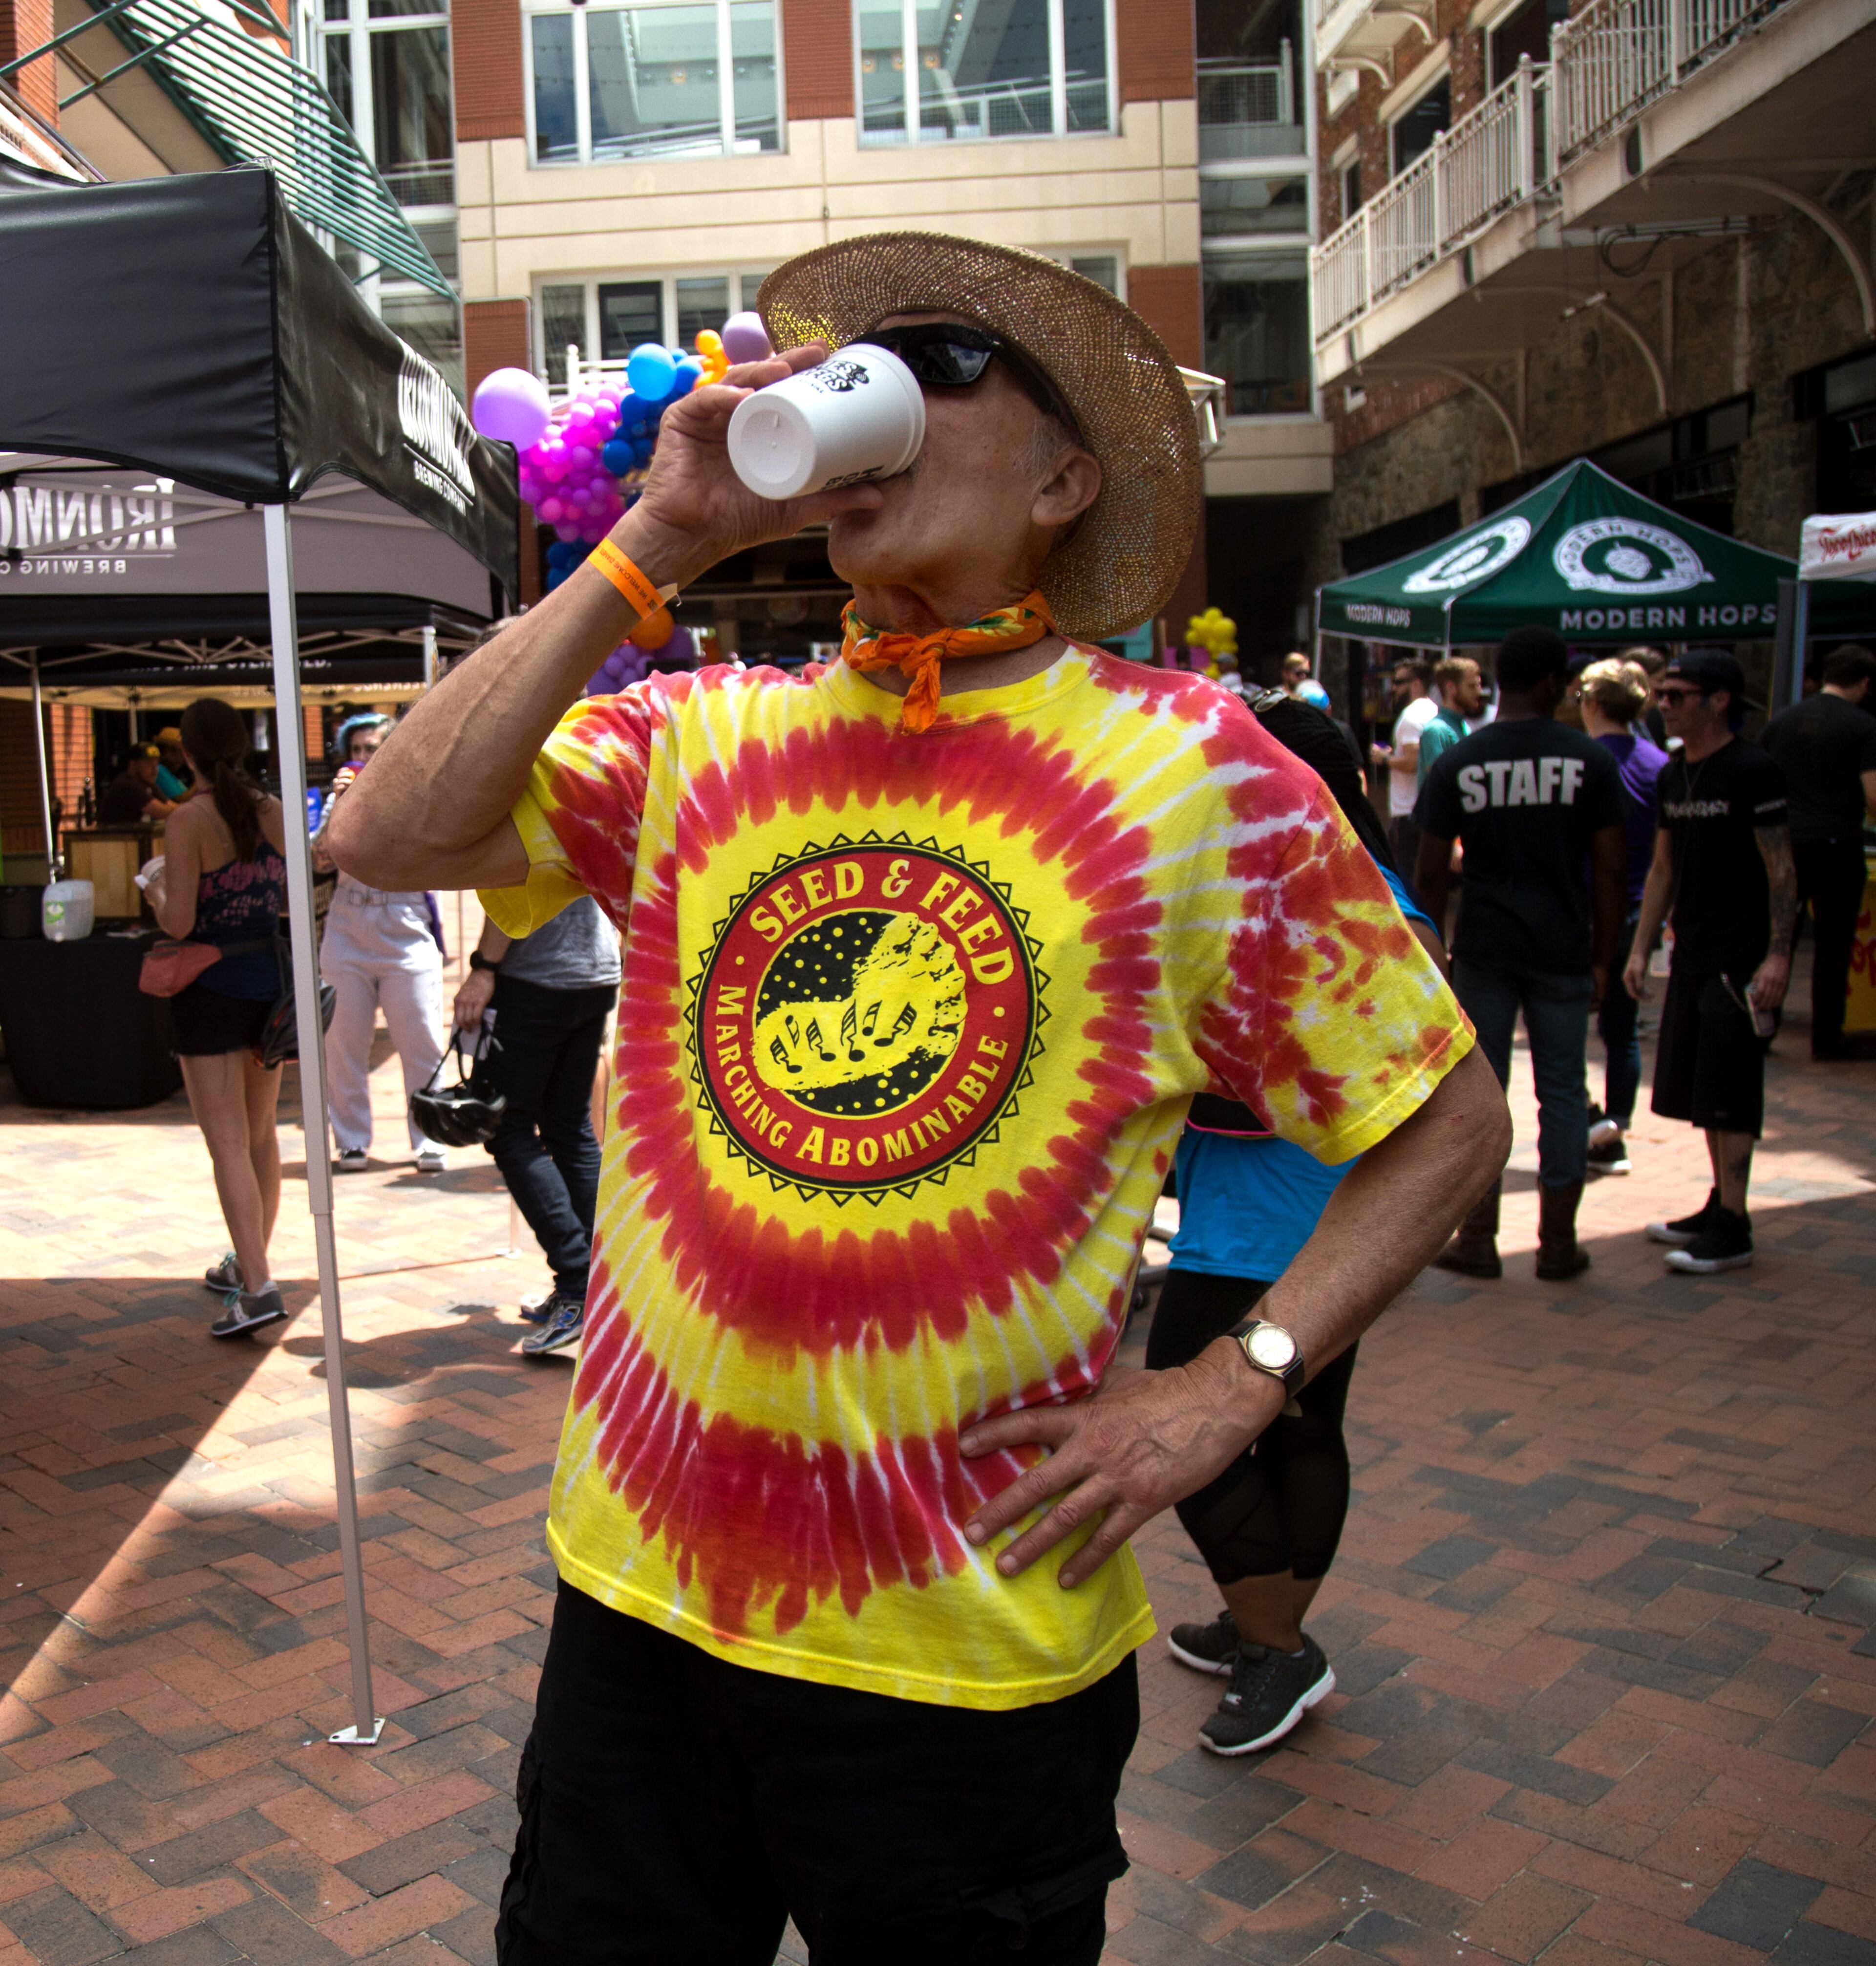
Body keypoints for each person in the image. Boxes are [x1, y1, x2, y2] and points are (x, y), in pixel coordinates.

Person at [331, 234, 1507, 1966]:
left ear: (1065, 478)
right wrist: (650, 546)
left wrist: (1225, 1390)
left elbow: (1450, 1124)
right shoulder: (699, 731)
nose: (858, 394)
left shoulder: (1195, 771)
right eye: (848, 367)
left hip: (968, 1663)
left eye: (940, 362)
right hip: (641, 1614)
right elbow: (383, 831)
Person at [1153, 688, 1447, 1756]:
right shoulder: (1269, 885)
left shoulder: (1375, 903)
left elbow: (1376, 1079)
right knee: (1295, 1425)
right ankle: (1262, 1618)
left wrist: (1182, 1062)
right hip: (1247, 1212)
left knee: (1198, 1424)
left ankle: (1279, 1645)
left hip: (1289, 1221)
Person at [1416, 626, 1627, 1280]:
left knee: (1484, 1094)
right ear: (1549, 683)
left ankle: (1478, 1237)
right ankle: (1557, 1243)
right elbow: (1612, 869)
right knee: (1563, 1090)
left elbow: (1426, 868)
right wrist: (1605, 957)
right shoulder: (1589, 761)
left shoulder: (1462, 761)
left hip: (1485, 946)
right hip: (1563, 947)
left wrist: (1434, 956)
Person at [1625, 649, 1795, 1274]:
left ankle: (1736, 1222)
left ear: (1719, 700)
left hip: (1741, 956)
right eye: (1661, 694)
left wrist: (1778, 957)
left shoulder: (1753, 770)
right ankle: (1719, 1202)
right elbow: (1664, 867)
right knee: (1702, 1085)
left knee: (1731, 1087)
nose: (1662, 704)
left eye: (1676, 694)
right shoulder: (1676, 775)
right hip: (1692, 951)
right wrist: (1642, 948)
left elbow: (1783, 871)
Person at [140, 699, 290, 1340]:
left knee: (227, 1142)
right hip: (267, 984)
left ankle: (257, 1287)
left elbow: (177, 922)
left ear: (189, 755)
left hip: (208, 987)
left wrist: (152, 888)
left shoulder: (190, 819)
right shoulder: (273, 810)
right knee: (260, 1136)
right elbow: (294, 891)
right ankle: (248, 1265)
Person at [451, 898, 622, 1358]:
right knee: (569, 1129)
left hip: (538, 974)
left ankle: (577, 1284)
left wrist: (485, 968)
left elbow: (508, 882)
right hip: (595, 967)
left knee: (509, 1131)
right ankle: (601, 1285)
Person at [313, 712, 448, 1175]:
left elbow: (430, 851)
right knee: (343, 1041)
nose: (364, 758)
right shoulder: (340, 799)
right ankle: (351, 1141)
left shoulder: (416, 793)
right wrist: (339, 809)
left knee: (422, 1039)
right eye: (356, 750)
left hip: (404, 920)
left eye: (373, 749)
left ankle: (429, 1135)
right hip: (349, 919)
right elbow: (320, 860)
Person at [1576, 658, 1669, 1174]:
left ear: (1592, 704)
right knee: (1622, 1027)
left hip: (1587, 912)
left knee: (1568, 1024)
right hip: (1638, 909)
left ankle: (1597, 1127)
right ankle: (1616, 1124)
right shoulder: (1659, 763)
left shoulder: (1585, 761)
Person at [1762, 643, 1876, 1060]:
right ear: (1865, 683)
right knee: (1833, 945)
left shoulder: (1782, 721)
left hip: (1785, 844)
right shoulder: (1863, 726)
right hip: (1836, 845)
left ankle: (1762, 1030)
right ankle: (1826, 1038)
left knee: (1778, 939)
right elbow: (1874, 796)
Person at [1374, 657, 1437, 879]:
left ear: (1417, 684)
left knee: (1408, 881)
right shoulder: (1432, 710)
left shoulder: (1411, 717)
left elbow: (1412, 763)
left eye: (1400, 682)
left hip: (1408, 812)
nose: (1394, 688)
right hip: (1424, 810)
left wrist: (1384, 759)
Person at [1415, 655, 1484, 791]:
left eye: (1479, 685)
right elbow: (1441, 783)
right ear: (1451, 688)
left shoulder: (1463, 726)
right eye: (1472, 686)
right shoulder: (1436, 731)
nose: (1479, 692)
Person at [100, 742, 176, 824]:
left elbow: (171, 805)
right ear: (133, 765)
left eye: (156, 764)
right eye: (150, 764)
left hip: (130, 835)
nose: (155, 770)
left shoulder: (147, 783)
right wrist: (189, 810)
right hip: (112, 836)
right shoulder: (128, 784)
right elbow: (162, 812)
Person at [152, 727, 192, 803]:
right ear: (168, 752)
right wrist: (201, 780)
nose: (182, 759)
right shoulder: (160, 771)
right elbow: (181, 800)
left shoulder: (168, 773)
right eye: (180, 753)